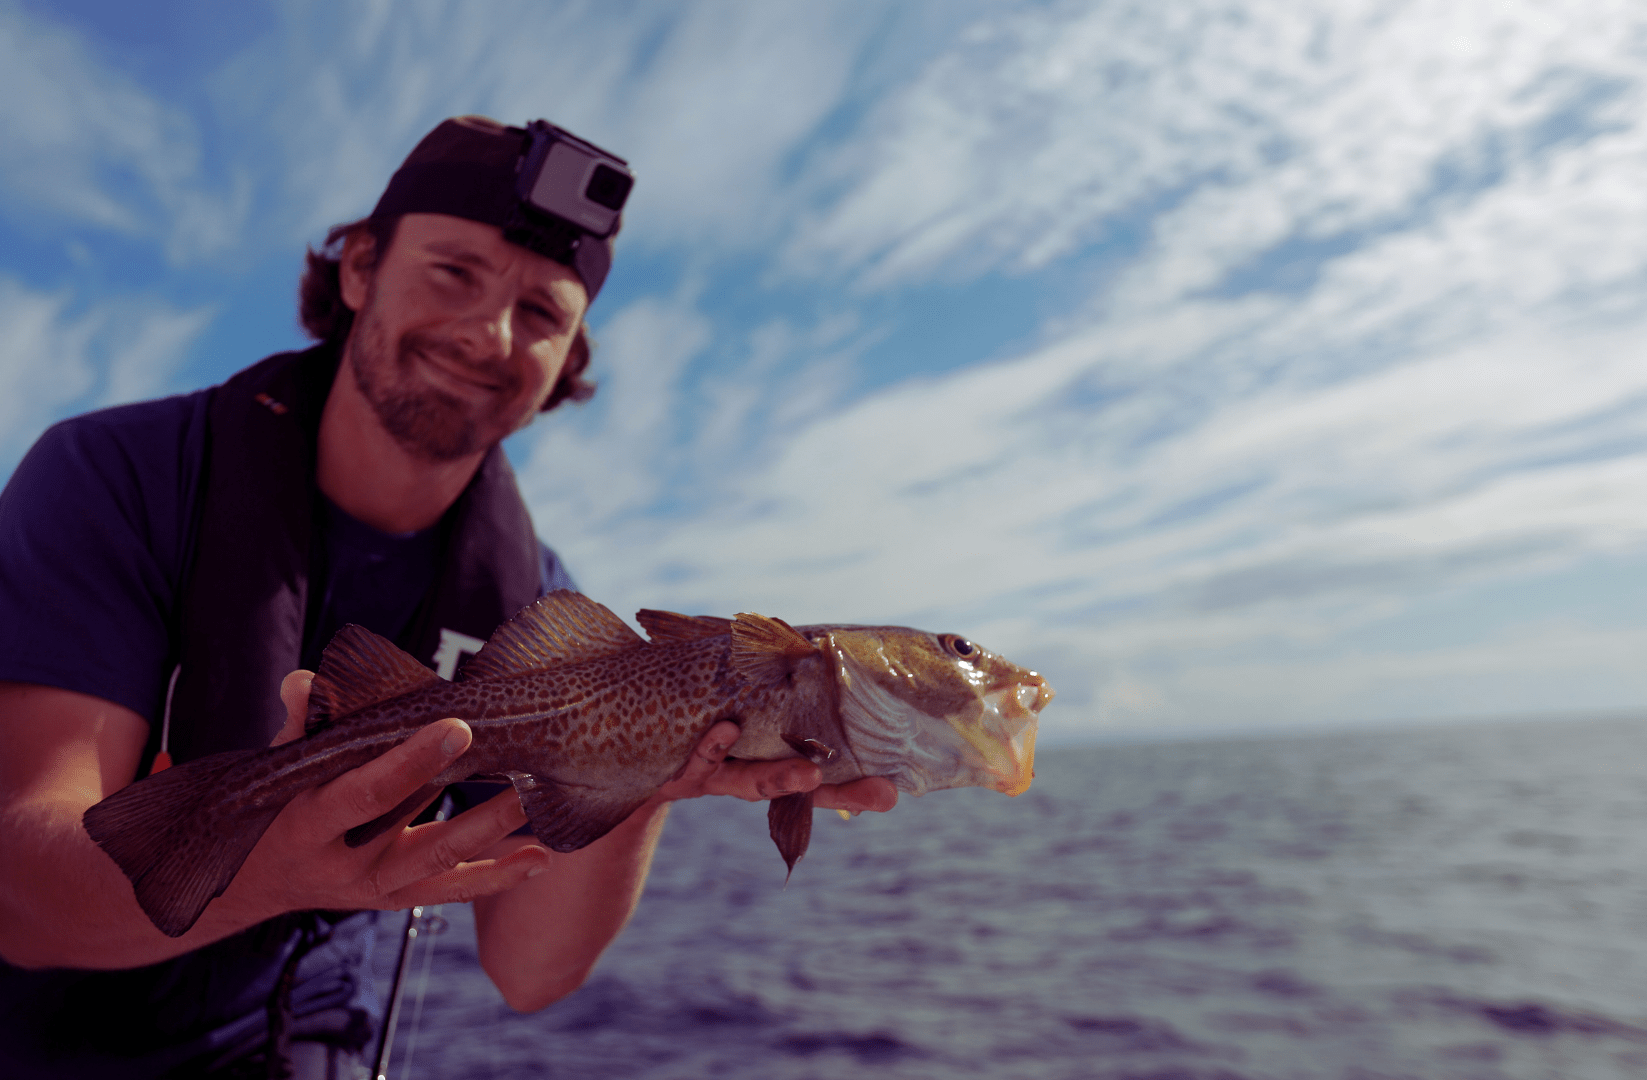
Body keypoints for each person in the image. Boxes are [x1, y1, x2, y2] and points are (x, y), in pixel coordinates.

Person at [0, 115, 896, 1079]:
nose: (490, 335)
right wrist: (267, 876)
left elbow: (529, 972)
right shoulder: (115, 478)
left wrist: (647, 775)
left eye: (543, 315)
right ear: (358, 271)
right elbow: (19, 899)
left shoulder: (543, 607)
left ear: (569, 360)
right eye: (453, 273)